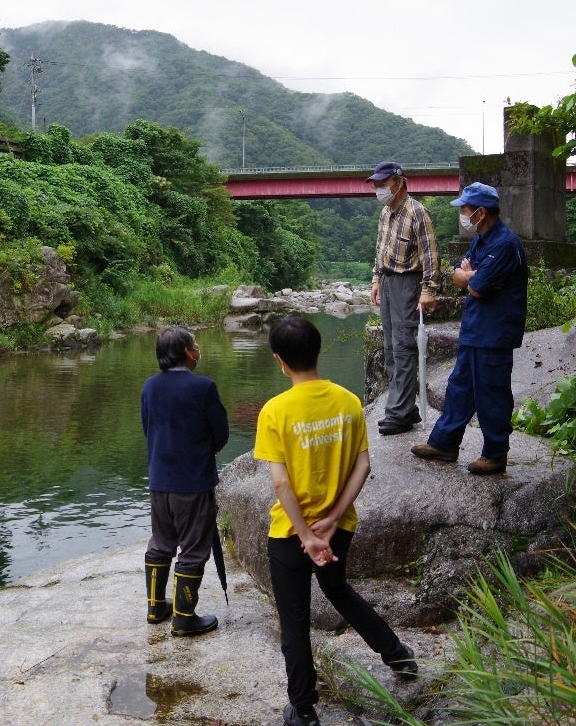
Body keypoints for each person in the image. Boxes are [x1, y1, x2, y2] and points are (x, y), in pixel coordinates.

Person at [254, 316, 417, 726]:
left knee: (294, 617)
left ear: (280, 362)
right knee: (339, 590)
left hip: (291, 533)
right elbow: (362, 465)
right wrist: (333, 519)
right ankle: (397, 655)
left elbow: (281, 485)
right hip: (338, 528)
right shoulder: (347, 401)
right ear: (319, 350)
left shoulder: (275, 411)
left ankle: (304, 708)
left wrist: (308, 535)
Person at [411, 182, 527, 476]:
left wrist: (469, 276)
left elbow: (475, 286)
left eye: (465, 209)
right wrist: (468, 275)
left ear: (480, 212)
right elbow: (459, 273)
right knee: (459, 389)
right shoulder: (482, 239)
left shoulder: (505, 244)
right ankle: (444, 444)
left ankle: (495, 454)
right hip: (476, 329)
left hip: (494, 333)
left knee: (492, 393)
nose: (462, 213)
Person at [141, 326, 229, 637]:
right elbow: (221, 433)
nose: (198, 348)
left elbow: (147, 428)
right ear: (186, 353)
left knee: (161, 543)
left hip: (159, 482)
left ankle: (155, 608)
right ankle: (183, 617)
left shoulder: (149, 387)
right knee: (192, 549)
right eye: (194, 344)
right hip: (192, 483)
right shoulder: (203, 387)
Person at [367, 161, 441, 436]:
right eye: (375, 185)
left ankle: (398, 413)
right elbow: (380, 249)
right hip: (387, 281)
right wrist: (376, 279)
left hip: (409, 283)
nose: (378, 189)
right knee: (390, 346)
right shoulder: (386, 213)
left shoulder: (417, 212)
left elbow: (430, 254)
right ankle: (407, 408)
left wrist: (428, 290)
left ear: (398, 183)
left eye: (382, 184)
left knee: (404, 346)